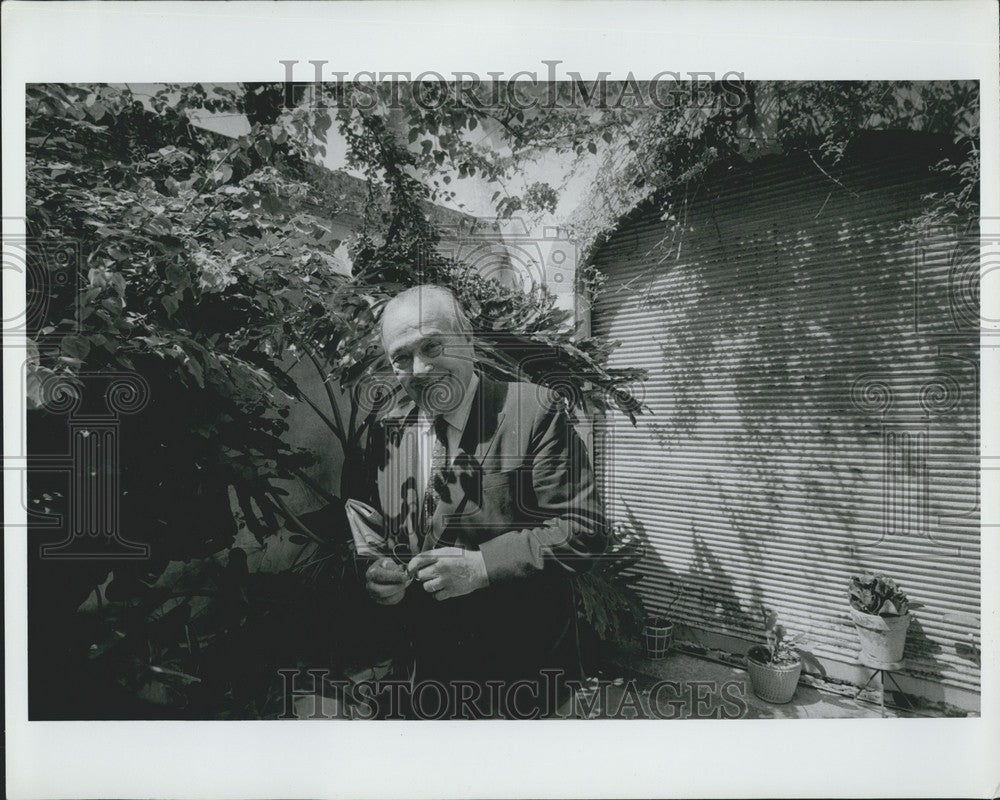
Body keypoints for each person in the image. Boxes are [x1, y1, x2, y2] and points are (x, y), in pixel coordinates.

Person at [360, 284, 607, 719]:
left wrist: (482, 566)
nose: (420, 369)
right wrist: (380, 572)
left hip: (522, 678)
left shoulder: (533, 410)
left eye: (432, 345)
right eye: (401, 357)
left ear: (468, 339)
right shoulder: (389, 429)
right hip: (427, 677)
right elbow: (385, 529)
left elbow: (582, 530)